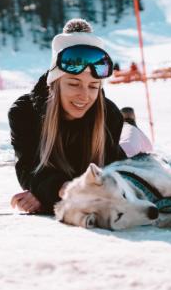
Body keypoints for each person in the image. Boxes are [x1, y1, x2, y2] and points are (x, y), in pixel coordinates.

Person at [8, 19, 126, 214]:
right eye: (73, 83)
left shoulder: (110, 115)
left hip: (129, 141)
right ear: (55, 83)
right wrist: (58, 191)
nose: (84, 95)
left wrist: (47, 195)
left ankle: (131, 121)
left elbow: (116, 174)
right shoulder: (25, 113)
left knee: (135, 141)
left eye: (93, 86)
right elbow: (28, 168)